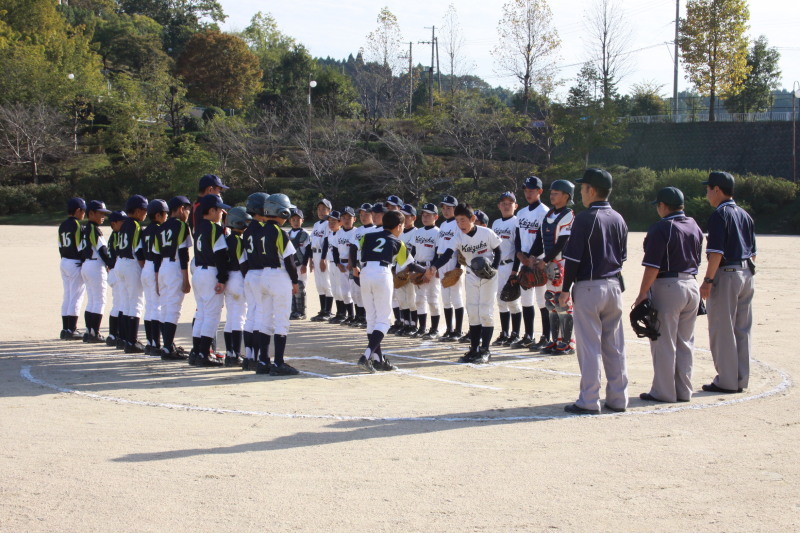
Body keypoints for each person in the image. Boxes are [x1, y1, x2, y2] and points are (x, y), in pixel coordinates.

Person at [559, 168, 628, 415]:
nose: (581, 192)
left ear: (591, 190)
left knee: (589, 346)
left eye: (582, 188)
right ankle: (619, 398)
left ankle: (589, 400)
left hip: (589, 286)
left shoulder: (585, 218)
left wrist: (565, 289)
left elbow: (573, 259)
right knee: (614, 345)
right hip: (613, 285)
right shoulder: (619, 218)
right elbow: (622, 257)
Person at [635, 187, 704, 403]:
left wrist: (642, 293)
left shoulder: (662, 228)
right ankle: (683, 391)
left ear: (663, 206)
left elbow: (653, 266)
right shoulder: (694, 225)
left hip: (668, 286)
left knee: (663, 341)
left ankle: (663, 391)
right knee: (684, 341)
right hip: (692, 284)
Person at [699, 171, 756, 394]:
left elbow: (716, 253)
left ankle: (726, 380)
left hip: (727, 273)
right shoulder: (745, 215)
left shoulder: (719, 215)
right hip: (747, 274)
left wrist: (707, 281)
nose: (707, 194)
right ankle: (741, 378)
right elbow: (753, 253)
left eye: (708, 189)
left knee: (722, 329)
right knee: (742, 329)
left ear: (717, 190)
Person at [426, 203, 502, 363]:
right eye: (458, 221)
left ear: (473, 219)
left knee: (485, 312)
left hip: (489, 275)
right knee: (473, 312)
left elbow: (498, 250)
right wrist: (434, 267)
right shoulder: (458, 236)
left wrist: (494, 268)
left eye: (463, 220)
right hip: (471, 274)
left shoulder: (486, 232)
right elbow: (447, 254)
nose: (461, 225)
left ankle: (485, 350)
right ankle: (474, 349)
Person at [352, 210, 416, 372]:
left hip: (365, 273)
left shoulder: (368, 236)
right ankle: (366, 356)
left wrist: (354, 266)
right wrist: (429, 270)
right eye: (401, 226)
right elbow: (411, 265)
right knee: (384, 320)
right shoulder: (397, 242)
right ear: (399, 226)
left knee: (372, 319)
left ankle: (378, 359)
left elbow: (353, 248)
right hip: (382, 274)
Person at [253, 193, 301, 376]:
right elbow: (289, 261)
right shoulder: (280, 232)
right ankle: (278, 363)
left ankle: (263, 360)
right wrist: (295, 281)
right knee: (281, 320)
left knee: (265, 319)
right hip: (279, 276)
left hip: (263, 275)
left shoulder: (260, 230)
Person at [528, 180, 576, 355]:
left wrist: (545, 260)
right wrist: (532, 257)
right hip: (549, 263)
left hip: (562, 263)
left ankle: (568, 342)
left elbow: (562, 243)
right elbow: (541, 241)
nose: (552, 195)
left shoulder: (569, 215)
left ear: (566, 196)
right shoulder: (548, 215)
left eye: (556, 192)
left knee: (563, 302)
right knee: (550, 300)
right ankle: (555, 340)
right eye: (552, 192)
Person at [189, 194, 231, 367]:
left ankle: (196, 351)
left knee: (201, 314)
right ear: (211, 211)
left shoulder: (199, 228)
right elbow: (220, 255)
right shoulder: (215, 229)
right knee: (212, 315)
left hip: (198, 271)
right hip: (210, 271)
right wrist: (222, 278)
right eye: (220, 209)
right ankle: (204, 353)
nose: (222, 212)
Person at [153, 196, 193, 360]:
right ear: (181, 208)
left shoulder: (161, 227)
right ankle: (168, 348)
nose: (189, 212)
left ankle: (167, 345)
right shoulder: (182, 226)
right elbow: (183, 255)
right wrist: (186, 279)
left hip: (162, 267)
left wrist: (156, 280)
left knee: (165, 307)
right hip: (175, 267)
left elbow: (155, 256)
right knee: (173, 309)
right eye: (188, 209)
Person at [513, 176, 550, 350]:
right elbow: (519, 237)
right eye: (526, 190)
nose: (528, 193)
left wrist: (531, 256)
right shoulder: (520, 213)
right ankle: (528, 335)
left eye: (532, 190)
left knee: (542, 300)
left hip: (539, 261)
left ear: (540, 191)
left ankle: (546, 336)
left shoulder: (545, 211)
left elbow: (542, 237)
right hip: (526, 261)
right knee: (526, 300)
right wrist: (520, 254)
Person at [115, 195, 149, 353]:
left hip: (120, 263)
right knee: (136, 302)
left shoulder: (124, 224)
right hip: (131, 263)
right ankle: (132, 341)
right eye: (144, 210)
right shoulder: (135, 225)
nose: (146, 214)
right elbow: (139, 249)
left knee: (125, 303)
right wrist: (144, 268)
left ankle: (123, 339)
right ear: (137, 211)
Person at [240, 193, 269, 370]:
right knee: (260, 316)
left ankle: (249, 355)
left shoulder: (247, 230)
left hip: (249, 274)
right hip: (260, 274)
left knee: (250, 315)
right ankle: (257, 357)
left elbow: (243, 258)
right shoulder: (262, 229)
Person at [79, 200, 113, 343]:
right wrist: (111, 264)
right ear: (91, 213)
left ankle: (89, 331)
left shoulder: (85, 229)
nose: (103, 217)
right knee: (99, 300)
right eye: (101, 213)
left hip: (86, 264)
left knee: (92, 300)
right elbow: (103, 250)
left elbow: (80, 250)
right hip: (95, 266)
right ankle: (95, 332)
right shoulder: (94, 229)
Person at [490, 192, 522, 347]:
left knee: (513, 301)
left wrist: (515, 271)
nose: (506, 205)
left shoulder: (517, 222)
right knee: (500, 300)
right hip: (497, 265)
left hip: (511, 265)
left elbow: (518, 249)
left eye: (510, 202)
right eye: (503, 202)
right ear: (499, 206)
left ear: (516, 206)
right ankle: (504, 332)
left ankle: (515, 334)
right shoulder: (495, 223)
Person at [222, 206, 252, 367]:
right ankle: (236, 353)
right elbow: (243, 263)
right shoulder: (239, 240)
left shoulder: (225, 239)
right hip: (238, 278)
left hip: (227, 279)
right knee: (239, 318)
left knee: (230, 318)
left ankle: (230, 353)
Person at [140, 199, 169, 355]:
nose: (166, 217)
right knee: (157, 306)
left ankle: (151, 342)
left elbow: (139, 251)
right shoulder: (161, 229)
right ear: (158, 215)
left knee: (150, 306)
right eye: (165, 214)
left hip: (146, 266)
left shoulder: (145, 230)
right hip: (155, 267)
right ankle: (156, 343)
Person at [411, 203, 442, 339]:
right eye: (423, 214)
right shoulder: (418, 232)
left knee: (433, 300)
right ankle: (422, 328)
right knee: (419, 300)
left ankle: (434, 329)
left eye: (428, 215)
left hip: (431, 267)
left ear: (436, 216)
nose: (425, 217)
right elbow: (412, 251)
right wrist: (411, 268)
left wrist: (431, 270)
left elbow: (438, 253)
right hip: (418, 266)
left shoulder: (438, 232)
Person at [436, 194, 465, 342]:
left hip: (452, 259)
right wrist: (436, 266)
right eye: (444, 208)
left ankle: (458, 330)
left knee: (456, 297)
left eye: (449, 208)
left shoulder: (457, 224)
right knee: (445, 298)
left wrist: (458, 267)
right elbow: (439, 247)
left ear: (455, 209)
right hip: (442, 260)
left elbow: (459, 246)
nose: (446, 211)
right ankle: (449, 329)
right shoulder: (442, 225)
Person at [58, 197, 86, 340]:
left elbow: (60, 245)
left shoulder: (62, 225)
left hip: (64, 261)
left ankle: (65, 329)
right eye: (83, 211)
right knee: (76, 295)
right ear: (77, 210)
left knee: (68, 295)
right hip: (74, 262)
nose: (84, 214)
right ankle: (72, 329)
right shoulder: (77, 225)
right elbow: (80, 246)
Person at [347, 203, 376, 328]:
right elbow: (352, 248)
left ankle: (368, 317)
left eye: (366, 214)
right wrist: (353, 265)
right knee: (356, 292)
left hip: (369, 264)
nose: (363, 217)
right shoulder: (358, 230)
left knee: (368, 293)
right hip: (358, 263)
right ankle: (360, 316)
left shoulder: (376, 229)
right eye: (361, 214)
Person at [395, 204, 419, 335]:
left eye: (406, 216)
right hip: (399, 267)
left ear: (413, 217)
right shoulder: (398, 231)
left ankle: (414, 325)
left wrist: (410, 269)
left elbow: (414, 251)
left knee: (411, 299)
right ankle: (405, 324)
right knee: (401, 298)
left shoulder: (417, 232)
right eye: (401, 215)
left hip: (410, 268)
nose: (403, 218)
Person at [104, 210, 127, 347]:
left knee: (118, 303)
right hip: (116, 271)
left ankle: (114, 334)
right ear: (114, 223)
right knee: (120, 303)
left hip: (113, 271)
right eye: (122, 222)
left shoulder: (116, 235)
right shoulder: (117, 235)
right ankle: (114, 334)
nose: (125, 224)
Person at [309, 199, 334, 321]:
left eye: (324, 209)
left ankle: (328, 311)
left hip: (325, 255)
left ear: (329, 211)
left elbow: (326, 241)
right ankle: (322, 309)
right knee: (319, 284)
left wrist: (323, 258)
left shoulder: (328, 223)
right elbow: (312, 242)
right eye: (319, 209)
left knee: (326, 282)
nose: (321, 211)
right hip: (315, 254)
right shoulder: (316, 224)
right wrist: (311, 259)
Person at [331, 207, 357, 325]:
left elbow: (355, 249)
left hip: (353, 265)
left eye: (349, 218)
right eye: (344, 218)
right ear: (340, 220)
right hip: (342, 265)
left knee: (355, 292)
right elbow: (335, 250)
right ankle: (350, 315)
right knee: (345, 292)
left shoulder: (357, 232)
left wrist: (353, 263)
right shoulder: (339, 233)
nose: (347, 220)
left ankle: (359, 316)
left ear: (354, 219)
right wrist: (337, 263)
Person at [288, 208, 309, 320]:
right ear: (290, 221)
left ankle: (301, 311)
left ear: (302, 220)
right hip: (291, 265)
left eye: (298, 219)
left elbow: (308, 250)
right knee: (292, 286)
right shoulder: (288, 234)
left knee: (300, 286)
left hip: (301, 265)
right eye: (293, 219)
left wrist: (305, 264)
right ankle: (294, 310)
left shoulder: (305, 234)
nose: (296, 221)